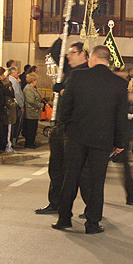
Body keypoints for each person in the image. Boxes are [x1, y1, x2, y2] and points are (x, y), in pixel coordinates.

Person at [53, 45, 129, 234]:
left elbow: (65, 109)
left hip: (76, 137)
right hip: (102, 140)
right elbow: (121, 117)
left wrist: (67, 127)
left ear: (93, 58)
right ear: (107, 60)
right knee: (96, 181)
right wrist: (120, 143)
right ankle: (92, 223)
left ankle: (64, 219)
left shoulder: (77, 77)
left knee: (70, 177)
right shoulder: (118, 84)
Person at [35, 42, 89, 215]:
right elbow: (56, 51)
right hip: (60, 125)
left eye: (73, 53)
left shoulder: (86, 72)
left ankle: (91, 209)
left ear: (84, 54)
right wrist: (65, 26)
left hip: (76, 129)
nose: (69, 56)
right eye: (69, 52)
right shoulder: (70, 68)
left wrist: (64, 91)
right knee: (56, 167)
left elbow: (80, 99)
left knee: (79, 172)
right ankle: (55, 202)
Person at [22, 73, 42, 149]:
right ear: (33, 80)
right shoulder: (28, 89)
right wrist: (40, 105)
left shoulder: (33, 88)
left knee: (33, 128)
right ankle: (29, 143)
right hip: (30, 112)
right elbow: (31, 101)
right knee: (30, 129)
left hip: (35, 112)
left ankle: (32, 142)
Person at [7, 67, 24, 152]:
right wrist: (21, 105)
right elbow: (17, 94)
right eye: (17, 72)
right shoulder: (12, 81)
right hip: (15, 106)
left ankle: (13, 142)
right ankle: (12, 143)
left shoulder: (14, 81)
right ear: (13, 73)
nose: (18, 74)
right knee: (14, 125)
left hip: (16, 106)